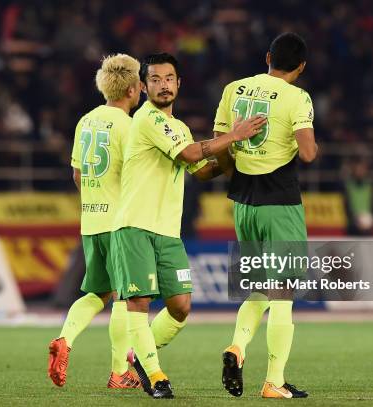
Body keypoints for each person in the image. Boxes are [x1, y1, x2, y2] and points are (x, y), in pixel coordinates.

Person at [111, 52, 267, 399]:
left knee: (180, 306)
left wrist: (240, 153)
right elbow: (190, 155)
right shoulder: (148, 118)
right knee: (139, 302)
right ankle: (155, 376)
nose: (163, 85)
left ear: (179, 83)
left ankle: (140, 354)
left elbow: (203, 168)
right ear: (142, 86)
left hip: (167, 231)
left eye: (169, 79)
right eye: (154, 79)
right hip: (135, 224)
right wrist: (234, 134)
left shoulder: (178, 128)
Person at [213, 32, 318, 399]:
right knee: (283, 293)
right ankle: (274, 380)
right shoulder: (297, 97)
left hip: (243, 201)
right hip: (280, 202)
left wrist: (236, 173)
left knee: (258, 288)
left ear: (268, 57)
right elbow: (307, 154)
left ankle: (237, 347)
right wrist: (308, 140)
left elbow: (220, 144)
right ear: (301, 67)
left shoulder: (234, 89)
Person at [48, 54, 142, 389]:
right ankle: (118, 372)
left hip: (91, 220)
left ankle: (64, 338)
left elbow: (77, 174)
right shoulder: (129, 126)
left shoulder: (86, 121)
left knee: (96, 292)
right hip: (120, 223)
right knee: (122, 296)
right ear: (133, 88)